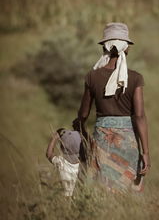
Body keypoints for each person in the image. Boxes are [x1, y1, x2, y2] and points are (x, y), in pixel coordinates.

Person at [73, 22, 151, 194]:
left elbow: (83, 114)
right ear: (126, 48)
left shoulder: (92, 76)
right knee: (126, 191)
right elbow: (139, 116)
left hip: (102, 141)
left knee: (102, 189)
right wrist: (145, 152)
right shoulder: (136, 78)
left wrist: (79, 124)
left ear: (104, 48)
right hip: (128, 142)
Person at [46, 128, 81, 197]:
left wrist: (54, 138)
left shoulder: (61, 162)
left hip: (65, 198)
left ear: (62, 147)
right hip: (78, 196)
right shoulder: (83, 164)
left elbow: (49, 154)